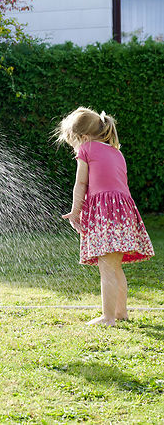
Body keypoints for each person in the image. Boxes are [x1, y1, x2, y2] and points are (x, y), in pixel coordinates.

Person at [55, 107, 154, 326]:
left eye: (72, 142)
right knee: (115, 267)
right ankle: (121, 312)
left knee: (107, 268)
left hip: (106, 213)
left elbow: (81, 183)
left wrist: (75, 210)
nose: (73, 147)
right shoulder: (115, 151)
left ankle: (108, 317)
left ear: (82, 137)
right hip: (124, 213)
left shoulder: (86, 150)